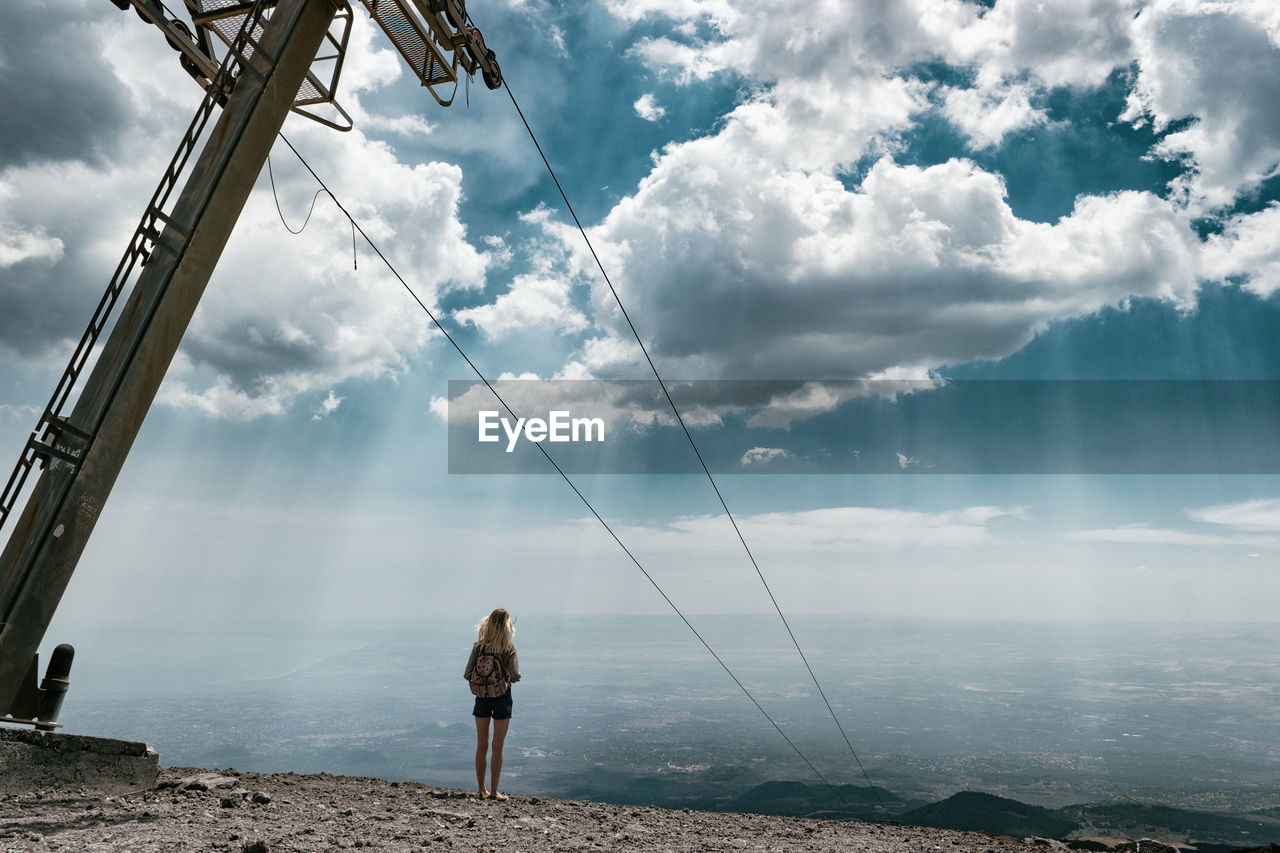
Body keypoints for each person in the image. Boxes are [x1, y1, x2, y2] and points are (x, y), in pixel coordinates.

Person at [463, 607, 521, 800]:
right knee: (498, 746)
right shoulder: (509, 648)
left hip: (481, 697)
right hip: (502, 697)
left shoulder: (478, 647)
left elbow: (467, 673)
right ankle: (495, 792)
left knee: (482, 744)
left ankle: (481, 790)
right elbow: (514, 676)